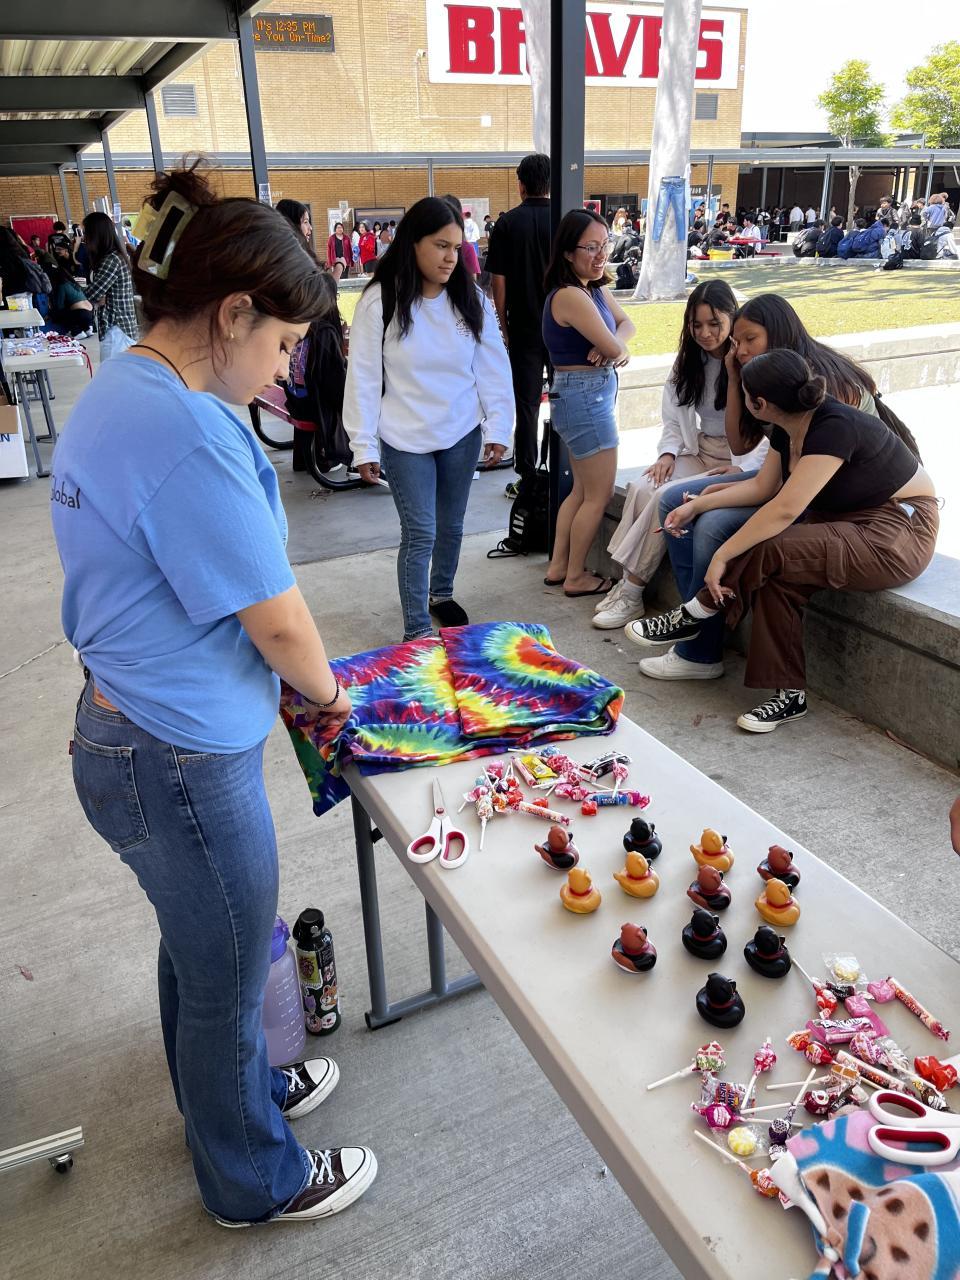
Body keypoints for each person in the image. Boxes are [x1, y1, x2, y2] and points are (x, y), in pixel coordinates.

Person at [51, 162, 377, 1227]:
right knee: (228, 968)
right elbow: (278, 622)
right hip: (175, 756)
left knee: (204, 949)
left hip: (135, 734)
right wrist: (331, 697)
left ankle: (228, 1103)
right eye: (283, 345)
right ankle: (253, 1178)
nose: (285, 369)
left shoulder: (131, 383)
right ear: (233, 314)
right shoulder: (184, 428)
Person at [625, 349, 936, 733]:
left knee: (771, 547)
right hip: (844, 522)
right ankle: (789, 696)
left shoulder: (834, 425)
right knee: (778, 578)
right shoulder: (785, 427)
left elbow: (786, 510)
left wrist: (723, 555)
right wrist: (697, 505)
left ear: (759, 403)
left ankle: (696, 612)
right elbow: (763, 487)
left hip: (898, 530)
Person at [342, 196, 513, 640]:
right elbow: (363, 376)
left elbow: (493, 367)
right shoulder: (380, 301)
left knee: (451, 526)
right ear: (413, 242)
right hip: (404, 438)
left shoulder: (472, 299)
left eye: (456, 248)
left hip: (461, 433)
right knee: (420, 532)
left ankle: (441, 593)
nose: (450, 257)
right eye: (440, 246)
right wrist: (363, 445)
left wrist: (499, 427)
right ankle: (416, 628)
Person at [593, 280, 766, 630]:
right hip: (700, 448)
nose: (705, 333)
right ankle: (625, 583)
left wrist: (744, 469)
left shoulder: (749, 361)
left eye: (714, 323)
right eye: (696, 325)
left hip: (739, 460)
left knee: (665, 497)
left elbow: (767, 430)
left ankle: (632, 591)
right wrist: (668, 454)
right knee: (644, 486)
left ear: (732, 318)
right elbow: (673, 418)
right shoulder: (689, 361)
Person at [540, 210, 635, 597]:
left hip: (581, 396)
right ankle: (576, 576)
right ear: (567, 252)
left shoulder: (593, 288)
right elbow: (616, 348)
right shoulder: (570, 295)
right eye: (591, 247)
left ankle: (559, 566)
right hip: (586, 397)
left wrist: (613, 344)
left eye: (604, 244)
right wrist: (613, 348)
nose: (601, 255)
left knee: (581, 491)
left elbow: (626, 325)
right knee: (599, 494)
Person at [485, 152, 553, 496]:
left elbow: (498, 282)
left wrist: (504, 325)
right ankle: (562, 472)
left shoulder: (507, 224)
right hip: (564, 327)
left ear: (521, 185)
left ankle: (527, 477)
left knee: (526, 405)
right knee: (564, 399)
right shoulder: (566, 220)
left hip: (524, 327)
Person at [80, 212, 138, 358]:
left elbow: (92, 293)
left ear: (96, 234)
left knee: (112, 371)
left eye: (86, 233)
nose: (84, 238)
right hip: (117, 330)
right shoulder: (112, 257)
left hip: (117, 330)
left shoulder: (111, 260)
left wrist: (75, 289)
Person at [46, 233, 95, 336]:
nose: (57, 251)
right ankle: (88, 327)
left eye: (59, 249)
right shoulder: (72, 282)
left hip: (81, 309)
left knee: (62, 312)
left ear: (66, 250)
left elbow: (59, 306)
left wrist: (51, 312)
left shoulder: (63, 284)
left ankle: (78, 331)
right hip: (89, 310)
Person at [442, 195, 480, 278]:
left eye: (456, 248)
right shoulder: (468, 247)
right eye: (442, 246)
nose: (451, 259)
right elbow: (473, 279)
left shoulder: (467, 248)